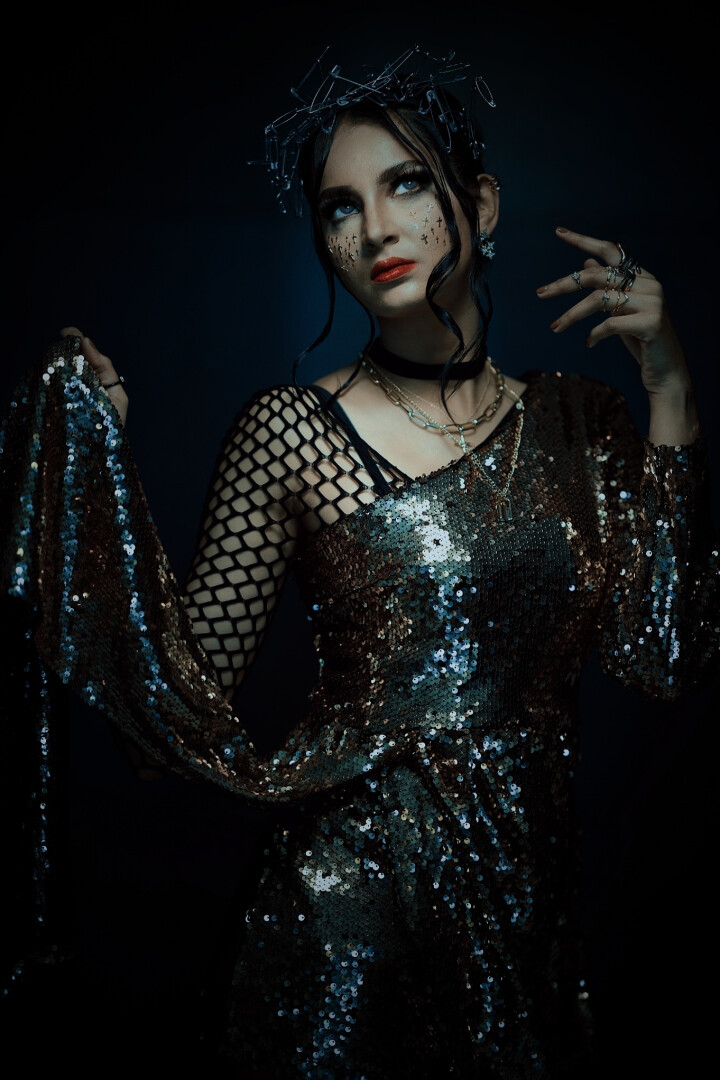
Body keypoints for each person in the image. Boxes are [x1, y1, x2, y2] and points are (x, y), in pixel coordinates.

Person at [1, 44, 718, 1079]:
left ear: (482, 203)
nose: (375, 228)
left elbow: (664, 657)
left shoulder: (583, 426)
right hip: (340, 936)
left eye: (407, 184)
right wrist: (95, 477)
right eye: (341, 206)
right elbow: (166, 732)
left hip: (524, 935)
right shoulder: (291, 434)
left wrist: (670, 389)